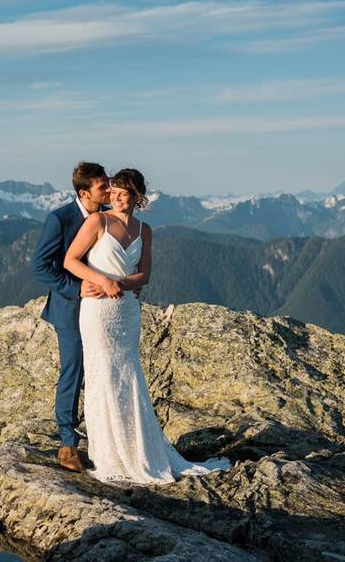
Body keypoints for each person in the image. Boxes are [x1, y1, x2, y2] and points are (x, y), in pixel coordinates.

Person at [63, 168, 230, 484]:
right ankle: (107, 453)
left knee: (128, 376)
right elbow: (71, 260)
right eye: (113, 192)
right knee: (102, 375)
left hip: (126, 311)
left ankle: (138, 447)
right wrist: (101, 280)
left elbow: (145, 275)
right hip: (97, 311)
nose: (116, 198)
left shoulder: (144, 230)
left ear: (137, 197)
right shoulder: (97, 222)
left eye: (124, 194)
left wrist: (119, 284)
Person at [30, 161, 109, 473]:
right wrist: (77, 288)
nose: (109, 190)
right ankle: (68, 444)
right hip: (71, 308)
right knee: (73, 372)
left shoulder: (107, 216)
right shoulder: (60, 219)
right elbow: (39, 266)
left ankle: (104, 438)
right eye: (103, 186)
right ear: (83, 192)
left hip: (104, 307)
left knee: (102, 368)